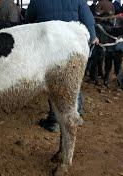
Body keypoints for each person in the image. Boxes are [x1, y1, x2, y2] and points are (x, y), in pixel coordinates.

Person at [26, 0, 99, 132]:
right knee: (72, 80)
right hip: (72, 46)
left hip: (48, 47)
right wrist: (93, 36)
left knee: (52, 82)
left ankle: (55, 121)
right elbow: (87, 18)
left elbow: (28, 22)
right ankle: (77, 113)